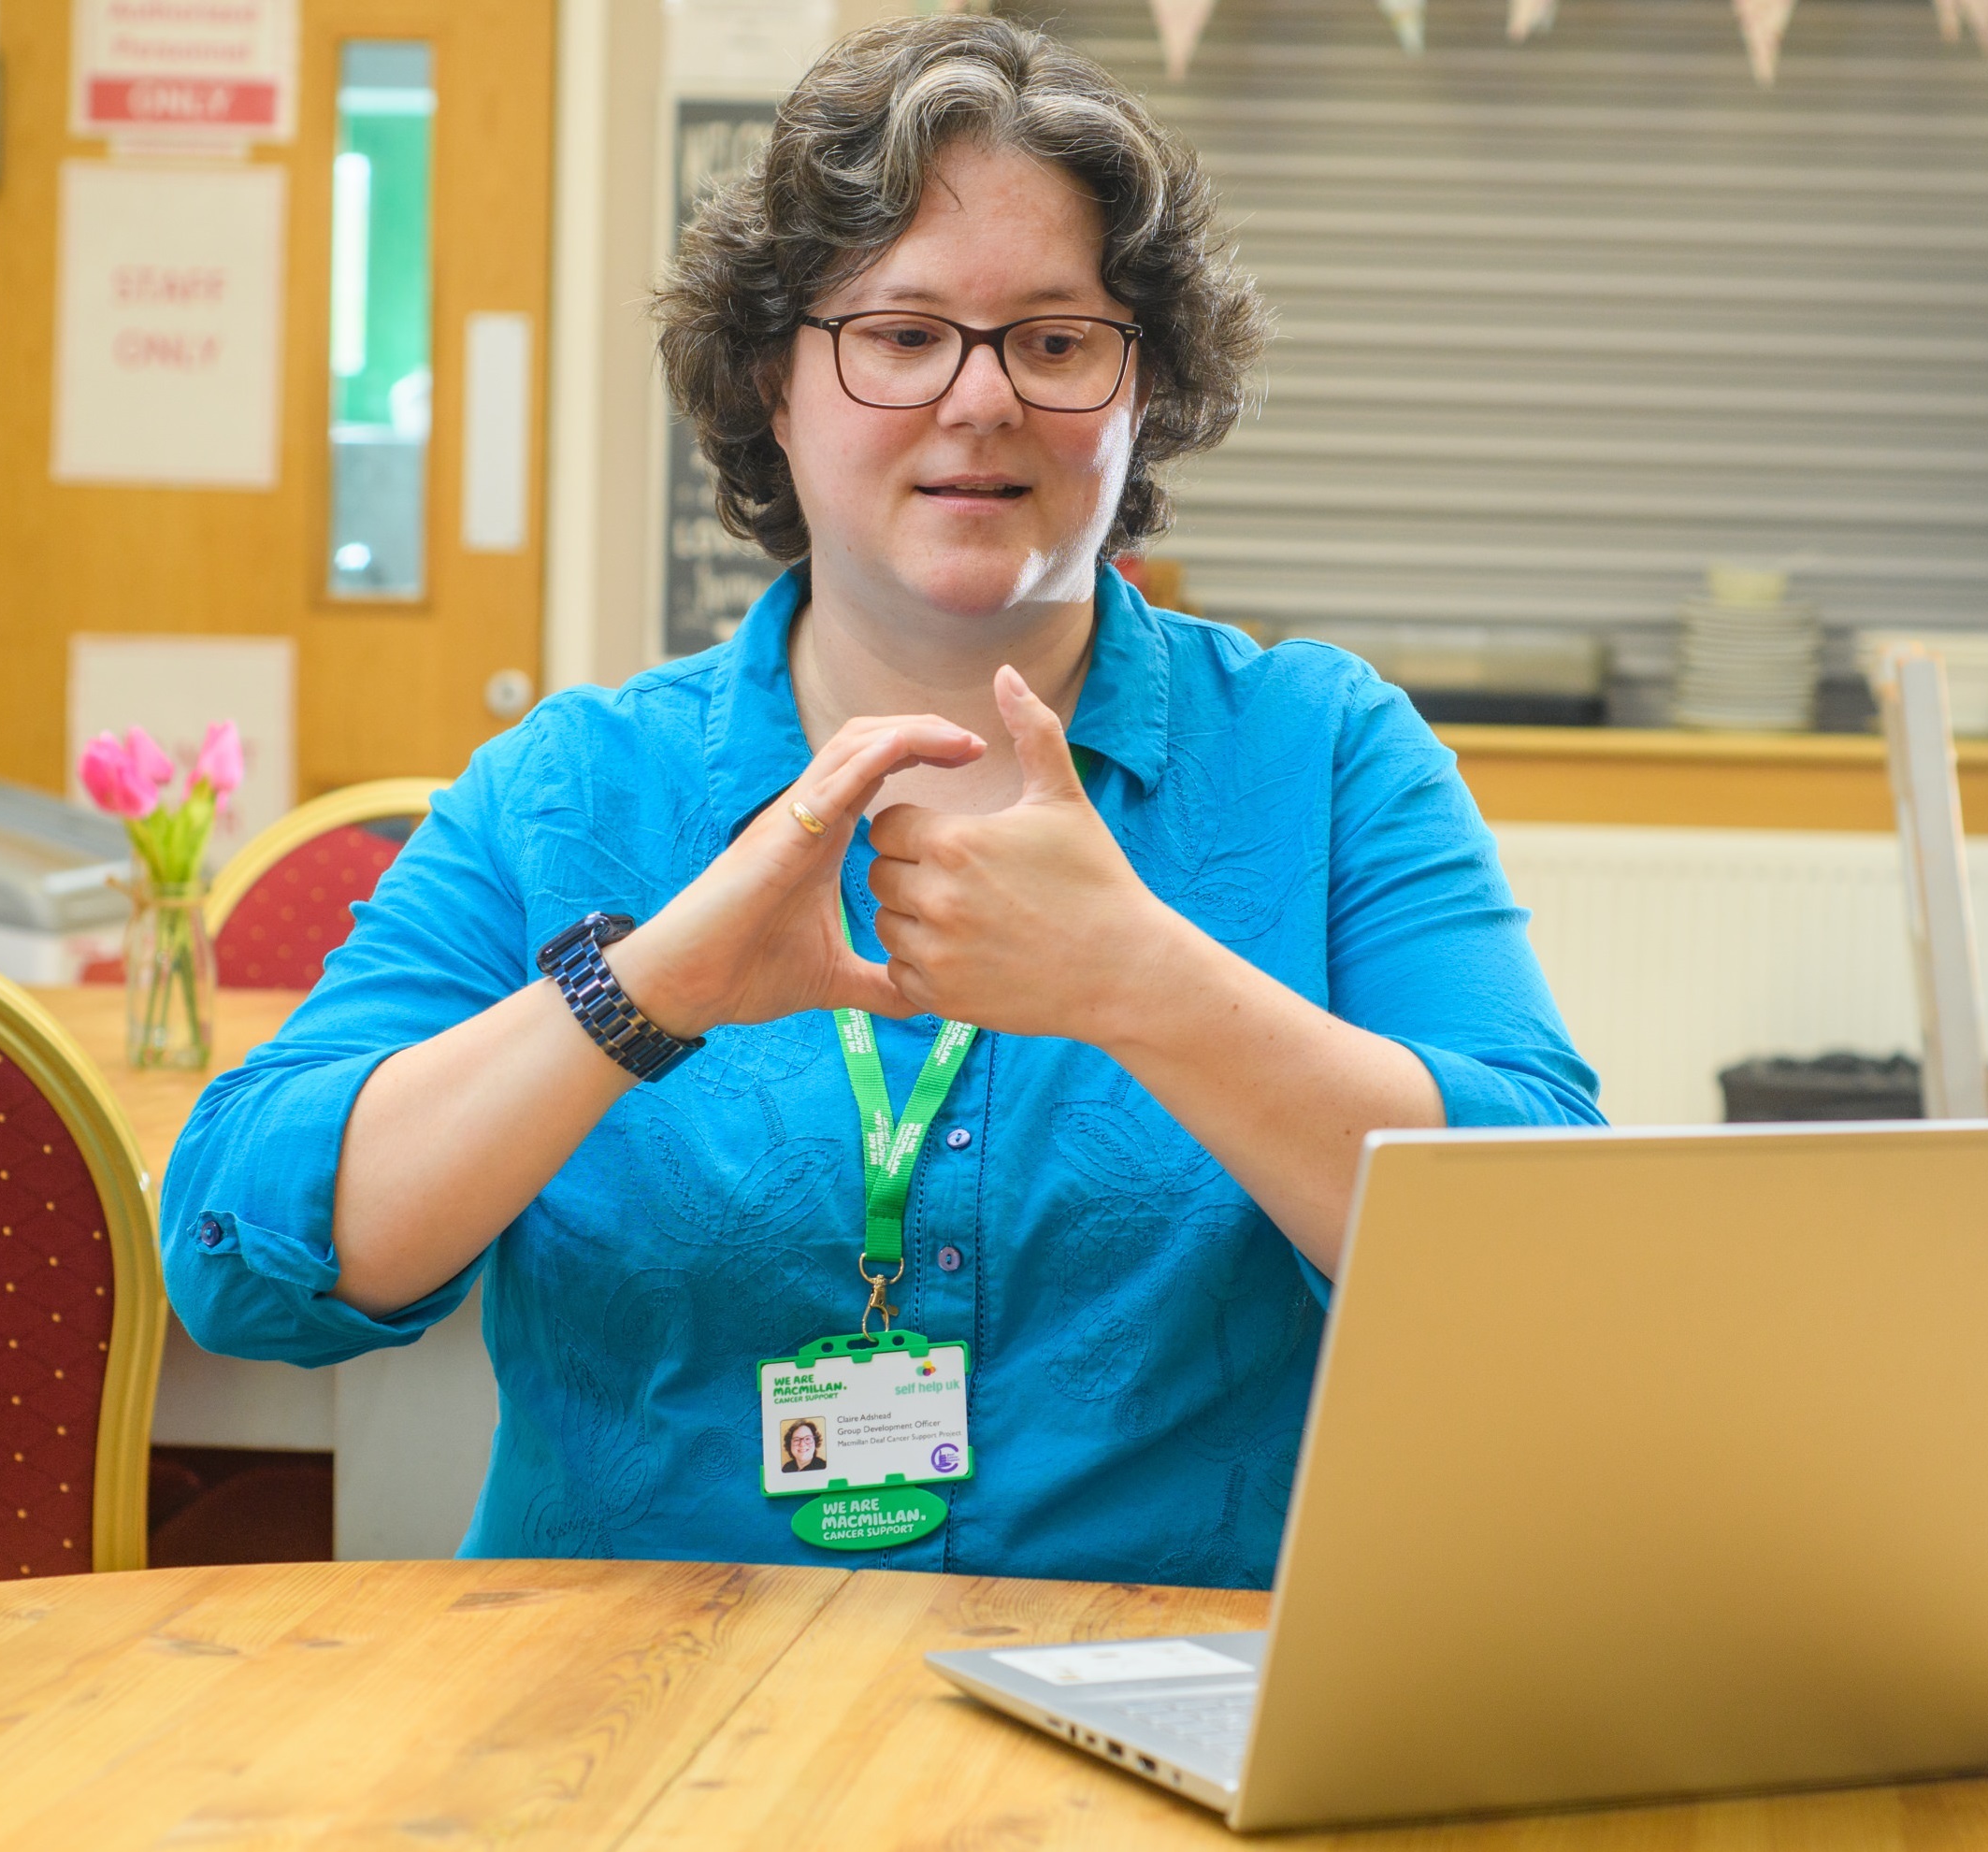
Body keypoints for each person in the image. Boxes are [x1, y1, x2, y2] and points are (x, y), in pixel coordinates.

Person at [161, 13, 1599, 1589]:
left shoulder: (1322, 754)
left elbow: (1543, 1271)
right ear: (773, 382)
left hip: (1166, 1721)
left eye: (1054, 339)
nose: (979, 399)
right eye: (901, 334)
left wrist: (1146, 985)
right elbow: (243, 1255)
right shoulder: (576, 788)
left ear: (1143, 392)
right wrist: (642, 993)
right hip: (626, 1735)